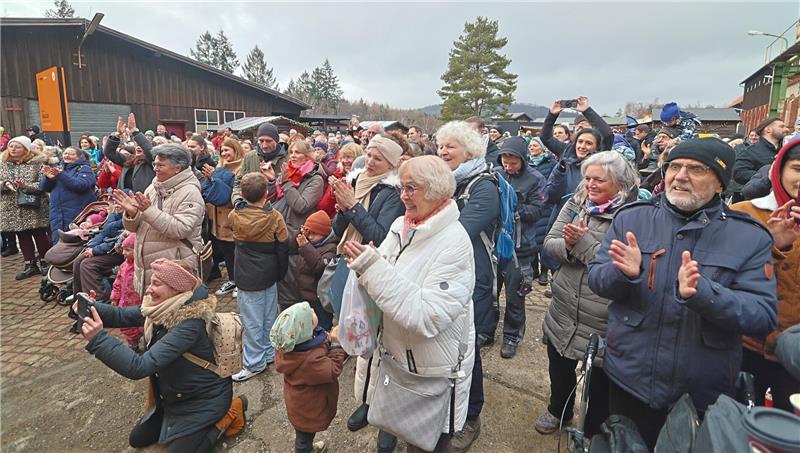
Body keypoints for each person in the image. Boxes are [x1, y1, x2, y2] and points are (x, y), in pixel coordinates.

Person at [587, 138, 778, 449]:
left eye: (696, 169)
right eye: (674, 167)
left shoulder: (749, 237)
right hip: (628, 379)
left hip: (703, 392)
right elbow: (597, 279)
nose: (680, 176)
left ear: (720, 182)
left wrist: (703, 293)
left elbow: (763, 316)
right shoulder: (632, 218)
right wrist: (624, 274)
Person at [343, 155, 476, 453]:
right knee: (398, 428)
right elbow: (385, 277)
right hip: (397, 359)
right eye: (402, 187)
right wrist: (371, 263)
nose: (403, 195)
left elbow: (427, 316)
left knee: (427, 444)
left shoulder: (454, 243)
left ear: (437, 190)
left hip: (428, 370)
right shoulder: (400, 226)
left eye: (411, 188)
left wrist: (372, 268)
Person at [79, 258, 248, 452]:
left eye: (157, 284)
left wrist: (98, 339)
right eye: (151, 282)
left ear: (177, 290)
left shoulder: (189, 324)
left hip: (204, 402)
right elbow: (121, 316)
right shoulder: (160, 308)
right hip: (176, 399)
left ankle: (230, 413)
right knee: (137, 439)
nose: (149, 289)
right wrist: (88, 306)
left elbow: (139, 367)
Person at [537, 151, 640, 436]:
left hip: (602, 314)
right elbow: (550, 243)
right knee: (559, 366)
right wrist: (570, 248)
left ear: (620, 183)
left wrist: (582, 243)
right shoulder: (576, 203)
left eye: (599, 180)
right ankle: (559, 410)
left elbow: (617, 265)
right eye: (587, 178)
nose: (590, 185)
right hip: (564, 306)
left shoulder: (632, 216)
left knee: (599, 381)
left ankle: (591, 431)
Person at [435, 121, 499, 452]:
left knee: (466, 349)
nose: (443, 151)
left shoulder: (483, 186)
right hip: (446, 276)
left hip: (475, 278)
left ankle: (471, 416)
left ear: (470, 150)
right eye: (440, 146)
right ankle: (446, 409)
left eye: (451, 146)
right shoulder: (446, 184)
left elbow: (458, 232)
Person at [732, 139, 800, 411]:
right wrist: (771, 245)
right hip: (745, 344)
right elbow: (726, 274)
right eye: (797, 168)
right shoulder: (744, 213)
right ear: (779, 169)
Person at [113, 144, 205, 294]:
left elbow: (180, 229)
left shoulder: (190, 193)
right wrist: (132, 214)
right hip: (149, 267)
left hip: (173, 265)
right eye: (155, 164)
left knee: (171, 313)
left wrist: (148, 210)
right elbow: (135, 228)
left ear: (178, 168)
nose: (155, 168)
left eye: (161, 165)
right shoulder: (153, 187)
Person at [227, 172, 289, 382]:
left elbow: (231, 228)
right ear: (265, 192)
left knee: (251, 320)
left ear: (243, 195)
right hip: (269, 271)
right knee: (269, 315)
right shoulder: (274, 217)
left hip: (246, 273)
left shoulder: (235, 215)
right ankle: (269, 353)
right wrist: (281, 272)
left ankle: (254, 362)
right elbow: (283, 245)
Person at [494, 137, 544, 359]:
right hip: (496, 245)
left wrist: (512, 206)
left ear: (523, 160)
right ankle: (486, 330)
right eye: (505, 161)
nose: (508, 166)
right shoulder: (496, 174)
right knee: (490, 292)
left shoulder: (535, 179)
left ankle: (512, 336)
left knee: (515, 297)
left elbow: (538, 210)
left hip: (520, 248)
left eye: (513, 162)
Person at [271, 302, 345, 453]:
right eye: (310, 313)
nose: (313, 310)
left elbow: (319, 341)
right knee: (304, 439)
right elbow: (333, 370)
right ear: (304, 328)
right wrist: (336, 345)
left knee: (304, 435)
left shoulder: (291, 345)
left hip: (299, 404)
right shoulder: (310, 360)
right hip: (309, 409)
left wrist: (328, 338)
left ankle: (307, 447)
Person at [0, 135, 52, 280]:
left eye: (17, 146)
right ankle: (30, 264)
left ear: (26, 149)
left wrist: (26, 186)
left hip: (34, 205)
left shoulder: (38, 164)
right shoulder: (3, 163)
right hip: (11, 207)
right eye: (11, 146)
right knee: (22, 235)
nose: (13, 149)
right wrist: (5, 185)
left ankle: (46, 262)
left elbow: (45, 184)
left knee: (39, 233)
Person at [200, 138, 244, 294]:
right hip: (218, 219)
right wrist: (209, 179)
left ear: (236, 150)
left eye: (227, 150)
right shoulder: (219, 167)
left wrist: (215, 178)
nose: (224, 153)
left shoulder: (242, 169)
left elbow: (234, 193)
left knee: (238, 254)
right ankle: (232, 280)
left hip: (233, 217)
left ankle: (241, 282)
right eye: (222, 151)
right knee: (227, 252)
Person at [39, 146, 97, 241]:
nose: (67, 155)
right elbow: (43, 188)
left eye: (71, 154)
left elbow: (80, 185)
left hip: (77, 211)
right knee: (58, 240)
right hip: (57, 211)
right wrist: (48, 178)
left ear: (80, 157)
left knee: (76, 239)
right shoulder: (58, 168)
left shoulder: (85, 169)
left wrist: (61, 175)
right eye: (65, 153)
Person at [293, 210, 337, 330]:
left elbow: (320, 267)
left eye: (314, 233)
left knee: (321, 330)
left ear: (323, 233)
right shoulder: (309, 243)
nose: (310, 237)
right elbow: (290, 244)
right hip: (305, 297)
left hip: (319, 302)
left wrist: (306, 247)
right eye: (309, 232)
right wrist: (301, 233)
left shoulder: (330, 248)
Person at [71, 203, 125, 300]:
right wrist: (91, 245)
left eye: (119, 203)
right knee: (78, 260)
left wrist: (95, 250)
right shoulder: (115, 215)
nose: (116, 206)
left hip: (118, 251)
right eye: (115, 203)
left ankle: (98, 299)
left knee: (87, 265)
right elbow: (104, 232)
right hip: (106, 247)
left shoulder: (128, 220)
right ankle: (79, 298)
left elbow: (118, 241)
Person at [540, 97, 613, 159]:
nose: (582, 146)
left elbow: (607, 135)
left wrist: (587, 111)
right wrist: (552, 115)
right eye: (580, 141)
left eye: (589, 143)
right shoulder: (566, 150)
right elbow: (546, 138)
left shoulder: (599, 154)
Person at [232, 122, 287, 203]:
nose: (264, 145)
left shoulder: (288, 159)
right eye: (261, 141)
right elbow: (239, 183)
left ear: (276, 140)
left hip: (279, 209)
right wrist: (238, 200)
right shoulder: (250, 157)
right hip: (252, 209)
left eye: (268, 141)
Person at [528, 136, 558, 287]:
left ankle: (545, 270)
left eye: (535, 145)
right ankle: (534, 269)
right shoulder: (527, 163)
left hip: (546, 206)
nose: (532, 148)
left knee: (544, 241)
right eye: (530, 145)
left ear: (542, 147)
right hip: (532, 204)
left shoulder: (551, 163)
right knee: (533, 239)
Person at [104, 114, 156, 193]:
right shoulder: (129, 159)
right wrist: (117, 134)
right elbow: (109, 152)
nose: (138, 147)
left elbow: (150, 152)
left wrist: (135, 132)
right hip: (124, 199)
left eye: (141, 146)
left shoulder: (152, 162)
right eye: (137, 145)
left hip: (142, 200)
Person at [109, 232, 144, 350]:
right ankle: (133, 343)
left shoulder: (141, 267)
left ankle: (147, 340)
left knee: (142, 323)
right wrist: (114, 297)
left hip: (139, 301)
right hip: (125, 302)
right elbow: (117, 283)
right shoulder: (123, 266)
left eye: (128, 250)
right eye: (123, 250)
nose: (124, 253)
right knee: (127, 324)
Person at [733, 117, 789, 188]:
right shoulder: (750, 152)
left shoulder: (786, 151)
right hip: (760, 196)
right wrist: (766, 175)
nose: (787, 129)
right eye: (781, 126)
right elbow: (739, 173)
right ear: (768, 130)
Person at [317, 142, 361, 218]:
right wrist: (332, 194)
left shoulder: (362, 179)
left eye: (349, 157)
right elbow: (323, 208)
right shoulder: (337, 176)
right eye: (343, 157)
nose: (345, 161)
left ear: (358, 159)